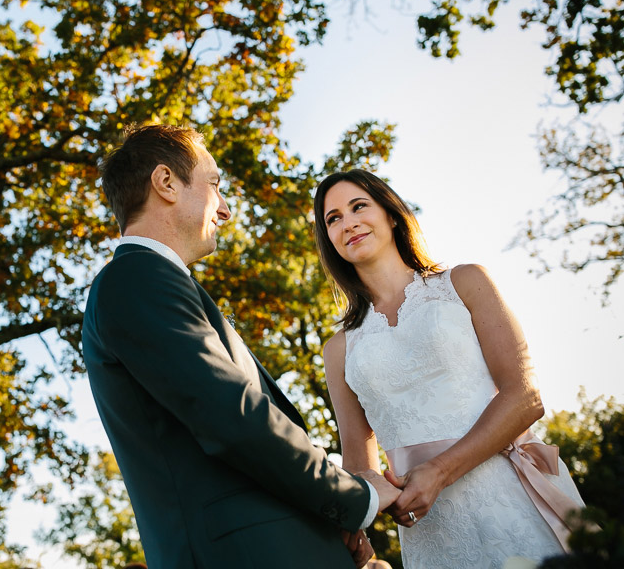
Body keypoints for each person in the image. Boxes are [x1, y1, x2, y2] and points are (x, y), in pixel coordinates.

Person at [82, 125, 401, 569]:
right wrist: (354, 495)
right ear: (166, 183)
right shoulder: (135, 280)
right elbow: (233, 416)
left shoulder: (165, 285)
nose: (226, 209)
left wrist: (334, 524)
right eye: (214, 184)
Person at [312, 169, 586, 568]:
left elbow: (525, 396)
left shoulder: (465, 282)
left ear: (390, 214)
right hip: (431, 528)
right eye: (332, 218)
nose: (348, 222)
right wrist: (360, 519)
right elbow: (358, 461)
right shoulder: (339, 349)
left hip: (511, 496)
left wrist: (439, 472)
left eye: (358, 206)